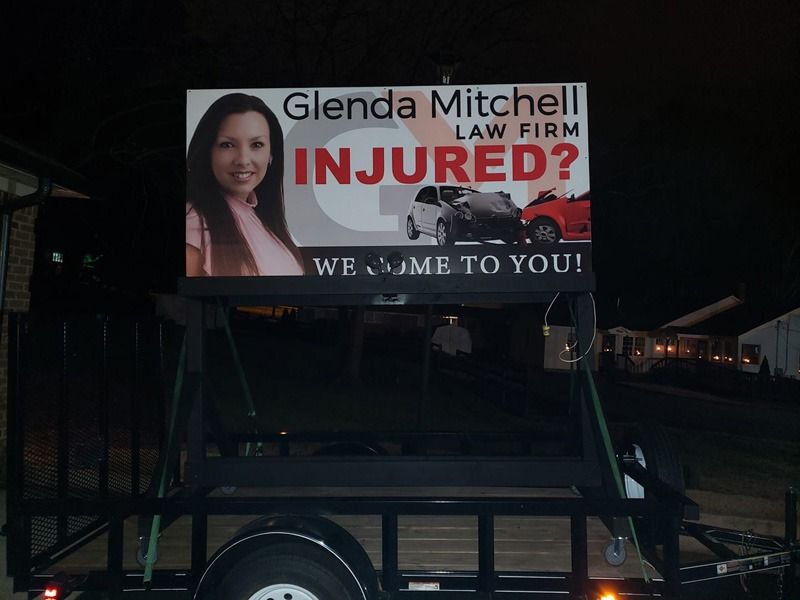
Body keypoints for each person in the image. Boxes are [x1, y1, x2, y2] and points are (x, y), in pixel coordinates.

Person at [186, 93, 304, 276]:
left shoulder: (266, 222)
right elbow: (186, 303)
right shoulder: (194, 220)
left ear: (271, 154)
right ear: (207, 151)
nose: (243, 160)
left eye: (256, 144)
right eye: (227, 145)